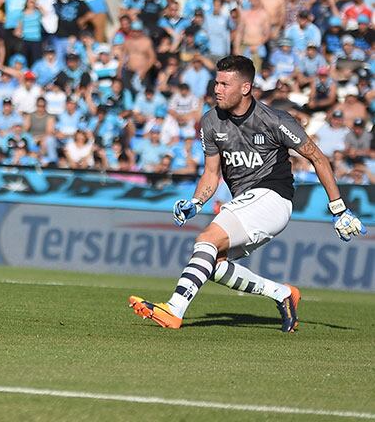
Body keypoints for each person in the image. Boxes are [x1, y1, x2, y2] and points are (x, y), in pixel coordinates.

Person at [130, 56, 366, 332]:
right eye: (216, 82)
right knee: (213, 262)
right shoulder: (211, 121)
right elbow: (211, 173)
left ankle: (173, 309)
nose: (217, 89)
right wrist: (196, 201)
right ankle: (283, 294)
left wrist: (338, 208)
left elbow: (317, 157)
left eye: (224, 84)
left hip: (273, 198)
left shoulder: (275, 120)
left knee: (207, 239)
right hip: (246, 202)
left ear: (245, 88)